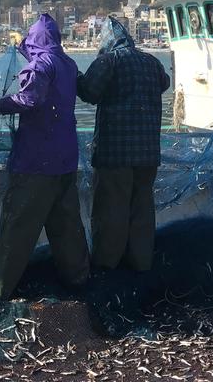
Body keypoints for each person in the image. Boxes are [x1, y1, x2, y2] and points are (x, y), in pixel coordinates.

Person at [0, 13, 89, 299]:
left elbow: (30, 99)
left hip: (36, 161)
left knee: (18, 227)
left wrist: (4, 104)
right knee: (67, 225)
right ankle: (78, 279)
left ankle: (1, 288)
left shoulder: (41, 65)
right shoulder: (68, 64)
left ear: (34, 39)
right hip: (66, 159)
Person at [76, 16, 171, 271]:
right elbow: (165, 83)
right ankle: (141, 265)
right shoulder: (151, 61)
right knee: (142, 210)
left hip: (114, 153)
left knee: (112, 211)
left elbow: (89, 92)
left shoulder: (108, 61)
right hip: (148, 153)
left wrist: (75, 76)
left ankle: (108, 268)